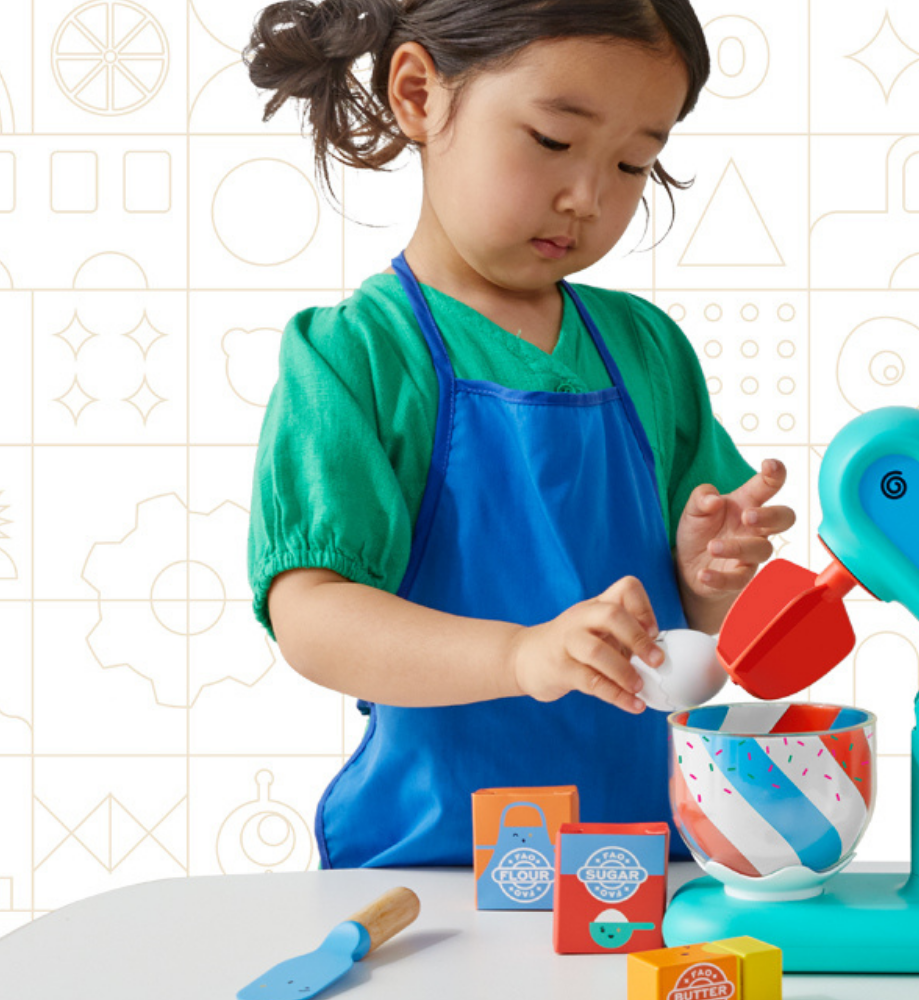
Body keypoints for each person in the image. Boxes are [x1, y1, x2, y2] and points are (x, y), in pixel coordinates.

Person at [240, 0, 794, 868]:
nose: (588, 197)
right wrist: (521, 654)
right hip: (438, 866)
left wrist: (709, 578)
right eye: (550, 141)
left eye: (632, 163)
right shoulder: (357, 357)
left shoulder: (647, 351)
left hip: (652, 853)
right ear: (420, 94)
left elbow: (706, 637)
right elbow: (311, 616)